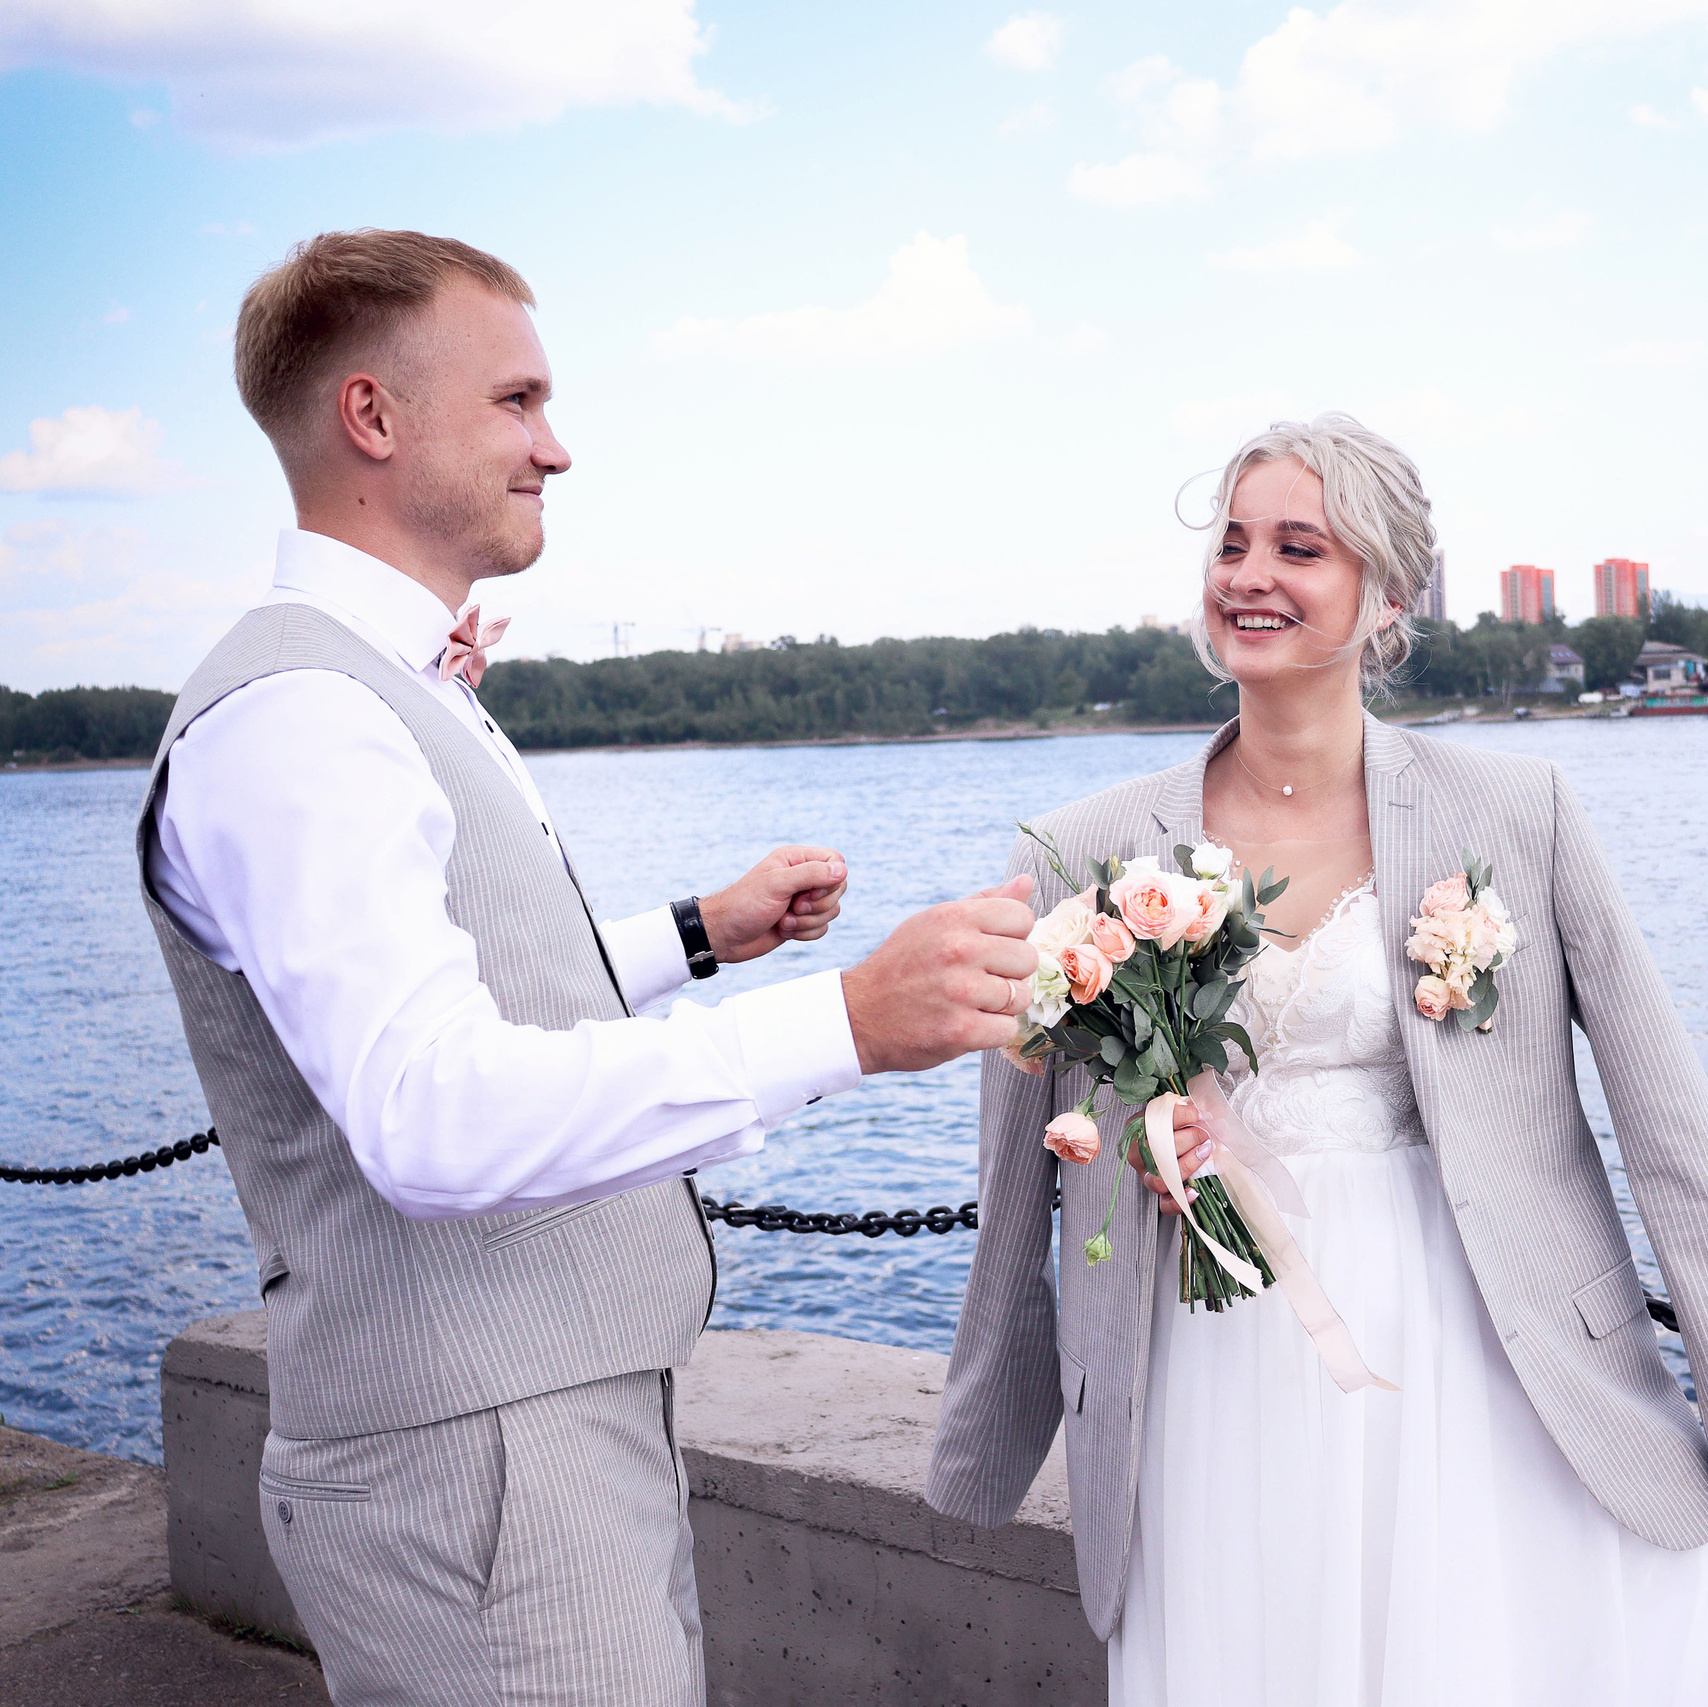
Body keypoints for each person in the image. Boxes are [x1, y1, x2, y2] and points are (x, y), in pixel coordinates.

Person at [138, 229, 1039, 1707]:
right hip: (480, 1462)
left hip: (530, 1434)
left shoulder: (370, 687)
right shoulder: (301, 717)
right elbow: (432, 1111)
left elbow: (479, 993)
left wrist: (702, 934)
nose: (557, 449)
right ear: (373, 417)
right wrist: (849, 1025)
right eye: (518, 400)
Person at [928, 414, 1708, 1704]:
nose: (1249, 575)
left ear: (1390, 591)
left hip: (1487, 1347)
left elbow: (1671, 1129)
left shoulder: (1515, 816)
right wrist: (992, 1426)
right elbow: (1020, 1178)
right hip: (1215, 1359)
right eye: (1231, 544)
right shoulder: (1086, 853)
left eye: (1299, 546)